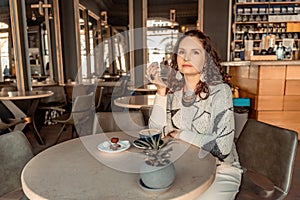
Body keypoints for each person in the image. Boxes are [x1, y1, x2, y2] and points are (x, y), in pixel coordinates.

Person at [146, 30, 242, 199]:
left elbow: (223, 148)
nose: (186, 57)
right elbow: (156, 135)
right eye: (182, 52)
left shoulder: (220, 91)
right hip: (183, 167)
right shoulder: (172, 92)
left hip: (220, 170)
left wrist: (180, 134)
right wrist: (161, 91)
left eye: (195, 52)